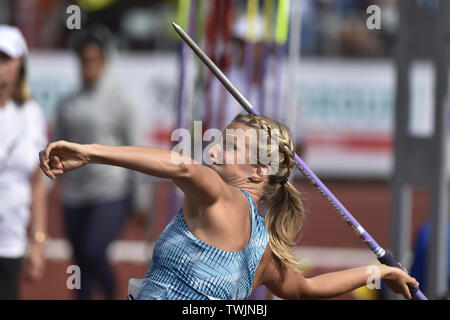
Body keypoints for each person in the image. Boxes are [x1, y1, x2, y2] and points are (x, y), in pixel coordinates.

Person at [39, 113, 418, 300]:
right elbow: (304, 290)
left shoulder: (222, 197)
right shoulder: (264, 249)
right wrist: (377, 272)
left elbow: (181, 165)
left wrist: (90, 152)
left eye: (232, 146)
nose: (215, 149)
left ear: (257, 172)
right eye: (221, 139)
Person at [52, 25, 145, 300]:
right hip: (74, 194)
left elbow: (137, 151)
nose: (88, 66)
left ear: (104, 61)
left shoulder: (123, 101)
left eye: (94, 60)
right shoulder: (68, 103)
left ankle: (113, 293)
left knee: (94, 250)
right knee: (80, 259)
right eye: (83, 60)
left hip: (111, 192)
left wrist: (141, 200)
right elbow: (56, 146)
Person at [0, 25, 48, 299]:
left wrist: (38, 241)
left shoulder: (32, 114)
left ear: (20, 65)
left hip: (10, 243)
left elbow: (36, 182)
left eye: (5, 59)